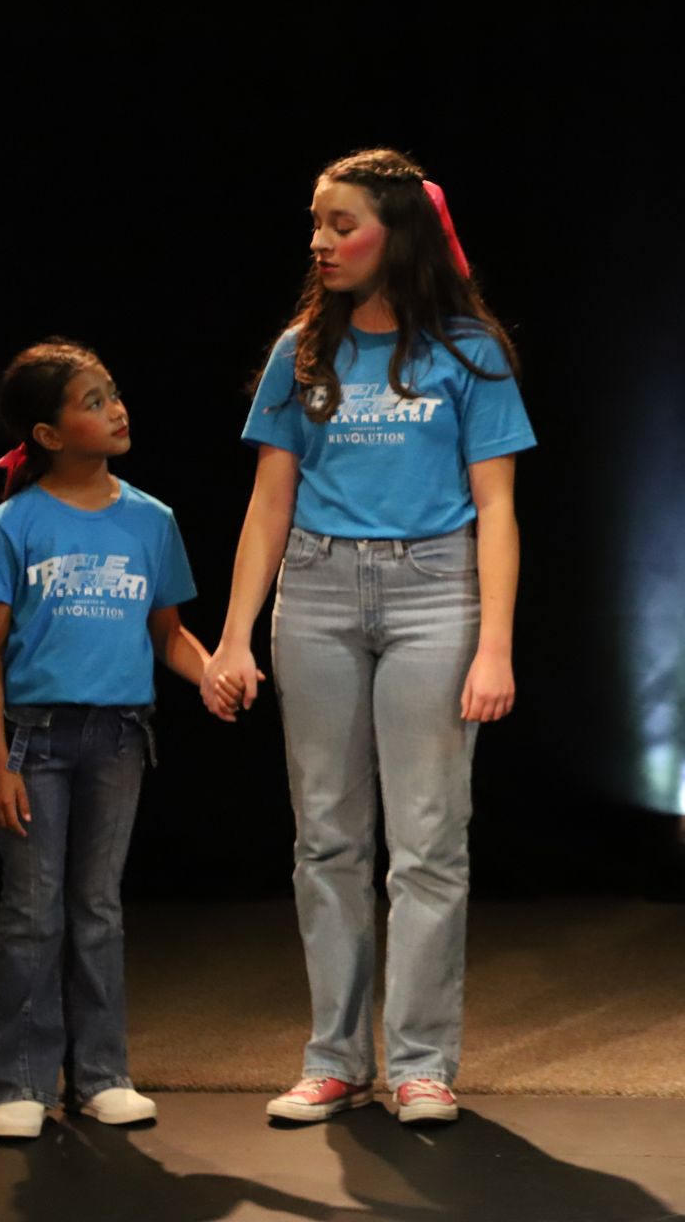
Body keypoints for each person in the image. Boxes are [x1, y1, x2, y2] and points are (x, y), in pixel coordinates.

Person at [200, 149, 535, 1126]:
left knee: (428, 840)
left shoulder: (469, 349)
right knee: (327, 836)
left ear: (398, 232)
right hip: (316, 589)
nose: (321, 240)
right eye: (316, 223)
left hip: (438, 592)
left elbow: (499, 508)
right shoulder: (300, 350)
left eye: (341, 223)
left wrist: (496, 644)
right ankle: (335, 1056)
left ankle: (422, 1061)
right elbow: (268, 503)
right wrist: (232, 640)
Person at [0, 338, 207, 1138]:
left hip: (118, 739)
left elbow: (168, 632)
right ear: (47, 434)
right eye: (93, 400)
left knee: (97, 908)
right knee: (33, 913)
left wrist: (209, 671)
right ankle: (20, 1083)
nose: (116, 409)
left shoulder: (151, 520)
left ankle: (103, 1075)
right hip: (34, 742)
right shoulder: (14, 523)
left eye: (113, 393)